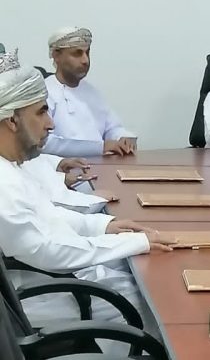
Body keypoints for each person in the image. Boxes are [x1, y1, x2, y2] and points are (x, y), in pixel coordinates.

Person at [0, 49, 174, 352]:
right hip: (43, 291)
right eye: (41, 112)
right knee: (158, 306)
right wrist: (133, 243)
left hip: (61, 275)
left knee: (146, 277)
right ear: (12, 120)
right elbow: (45, 251)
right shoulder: (3, 181)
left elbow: (49, 215)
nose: (50, 124)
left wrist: (105, 226)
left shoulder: (12, 166)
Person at [43, 27, 137, 157]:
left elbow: (113, 128)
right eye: (77, 53)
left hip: (102, 165)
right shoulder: (43, 93)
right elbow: (45, 143)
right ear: (56, 55)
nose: (85, 60)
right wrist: (100, 147)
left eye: (87, 53)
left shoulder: (92, 92)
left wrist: (123, 138)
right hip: (62, 168)